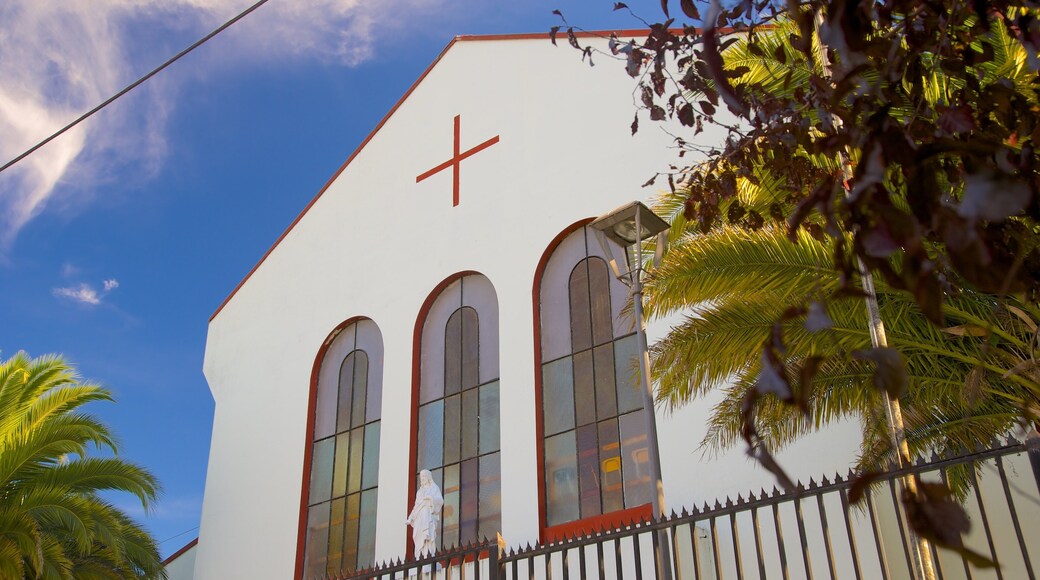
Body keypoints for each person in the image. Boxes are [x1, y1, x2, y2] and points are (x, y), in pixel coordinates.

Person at [406, 469, 444, 560]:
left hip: (428, 516)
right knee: (417, 535)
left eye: (424, 476)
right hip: (419, 517)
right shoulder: (419, 492)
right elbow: (416, 506)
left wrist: (430, 499)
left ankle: (429, 555)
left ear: (428, 477)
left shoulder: (434, 488)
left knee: (427, 536)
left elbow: (440, 500)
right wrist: (410, 517)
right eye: (421, 477)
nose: (422, 478)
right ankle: (420, 556)